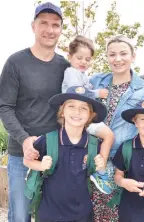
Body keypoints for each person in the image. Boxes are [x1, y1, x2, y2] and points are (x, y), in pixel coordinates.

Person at [89, 35, 144, 221]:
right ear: (106, 57)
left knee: (116, 210)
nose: (118, 59)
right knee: (94, 210)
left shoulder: (143, 88)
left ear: (133, 55)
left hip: (121, 159)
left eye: (123, 53)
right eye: (112, 54)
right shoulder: (96, 81)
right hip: (93, 156)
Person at [0, 2, 69, 222]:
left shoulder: (66, 67)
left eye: (55, 25)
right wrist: (25, 140)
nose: (50, 30)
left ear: (60, 29)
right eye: (44, 24)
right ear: (33, 26)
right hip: (22, 154)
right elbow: (5, 107)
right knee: (20, 215)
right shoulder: (16, 62)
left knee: (50, 215)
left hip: (54, 155)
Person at [24, 85, 107, 222]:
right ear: (62, 111)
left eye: (84, 108)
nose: (77, 112)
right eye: (71, 106)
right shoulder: (48, 139)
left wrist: (101, 168)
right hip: (50, 212)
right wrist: (40, 166)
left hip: (82, 214)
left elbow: (102, 179)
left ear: (90, 116)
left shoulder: (93, 144)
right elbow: (27, 161)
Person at [62, 35, 114, 194]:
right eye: (79, 58)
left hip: (82, 118)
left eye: (87, 59)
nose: (84, 62)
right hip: (79, 118)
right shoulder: (71, 72)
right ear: (69, 57)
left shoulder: (83, 75)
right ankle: (101, 172)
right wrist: (97, 93)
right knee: (109, 136)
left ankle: (96, 167)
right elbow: (76, 93)